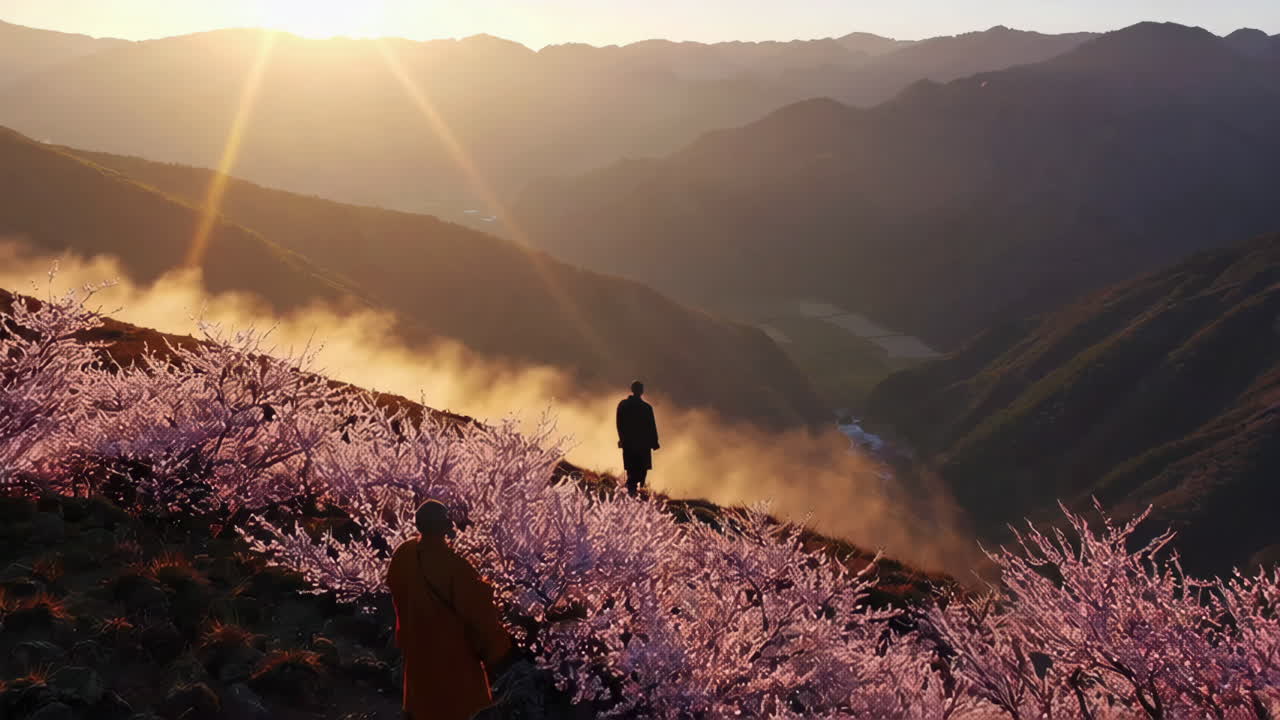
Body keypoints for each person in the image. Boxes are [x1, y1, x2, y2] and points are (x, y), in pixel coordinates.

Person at [387, 500, 516, 720]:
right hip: (455, 661)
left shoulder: (405, 553)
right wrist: (500, 648)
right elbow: (480, 616)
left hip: (418, 652)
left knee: (422, 711)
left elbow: (395, 587)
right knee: (459, 711)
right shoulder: (456, 567)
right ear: (445, 527)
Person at [616, 380, 660, 496]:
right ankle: (636, 493)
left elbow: (619, 424)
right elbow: (651, 427)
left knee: (632, 469)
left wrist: (622, 439)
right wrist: (654, 442)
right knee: (641, 470)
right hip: (642, 445)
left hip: (629, 443)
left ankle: (633, 492)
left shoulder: (623, 405)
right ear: (642, 391)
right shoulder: (646, 408)